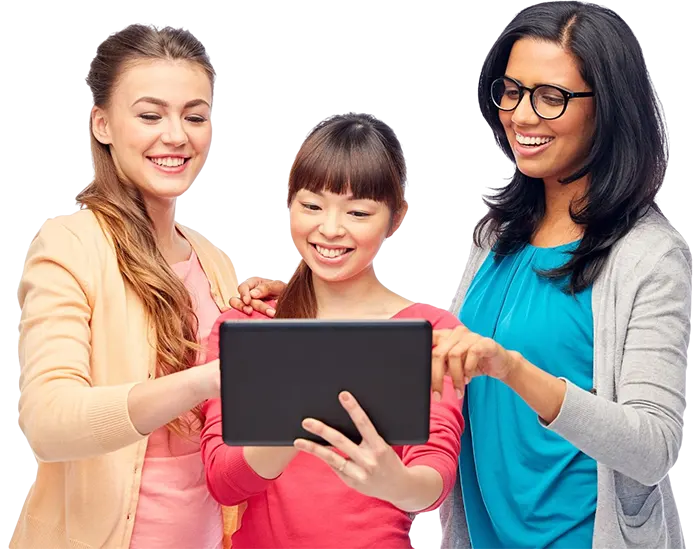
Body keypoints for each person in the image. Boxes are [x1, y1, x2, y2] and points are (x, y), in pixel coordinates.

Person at [230, 2, 692, 548]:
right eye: (512, 91)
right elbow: (448, 351)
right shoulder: (496, 238)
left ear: (608, 110)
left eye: (552, 97)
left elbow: (655, 447)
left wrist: (515, 371)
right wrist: (327, 299)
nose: (522, 116)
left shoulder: (648, 256)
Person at [15, 25, 242, 549]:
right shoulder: (69, 246)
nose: (176, 135)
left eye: (194, 116)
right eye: (149, 115)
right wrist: (205, 380)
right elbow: (48, 422)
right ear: (102, 124)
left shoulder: (212, 261)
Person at [200, 113, 465, 549]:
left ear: (395, 218)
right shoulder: (247, 325)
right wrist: (294, 423)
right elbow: (223, 483)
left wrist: (392, 481)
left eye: (358, 211)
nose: (330, 228)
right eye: (311, 205)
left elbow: (432, 481)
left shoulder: (432, 333)